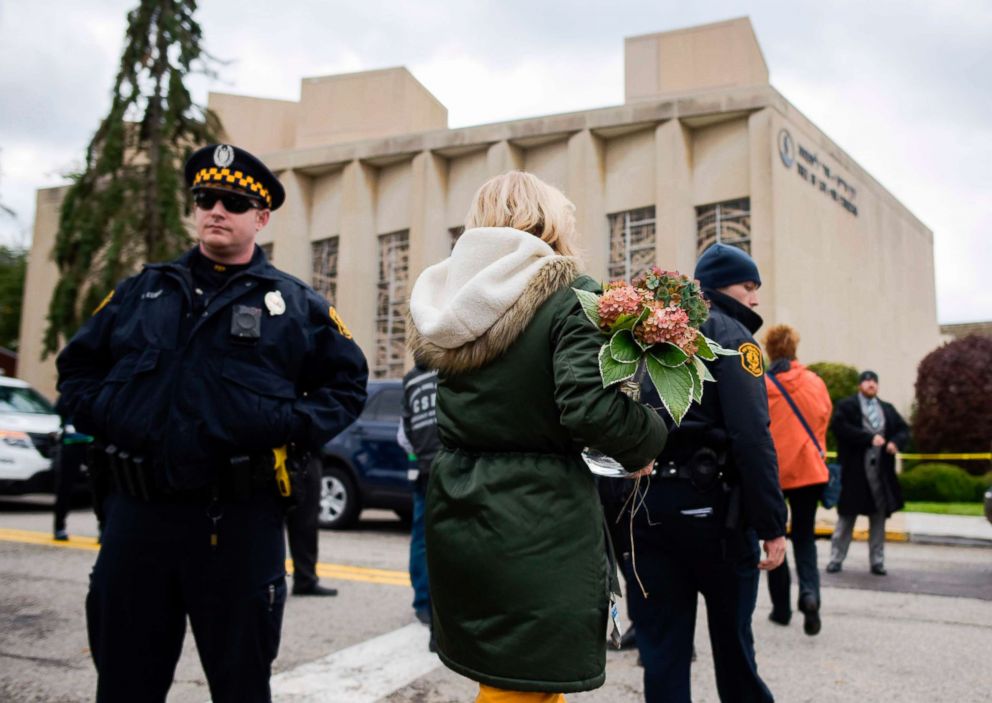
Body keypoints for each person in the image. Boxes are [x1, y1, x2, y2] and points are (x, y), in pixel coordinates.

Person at [55, 143, 368, 702]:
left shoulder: (293, 304)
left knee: (241, 685)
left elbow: (346, 386)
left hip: (239, 524)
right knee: (125, 683)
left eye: (232, 201)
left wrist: (281, 424)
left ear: (261, 217)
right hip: (137, 519)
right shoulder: (142, 291)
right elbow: (77, 368)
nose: (215, 210)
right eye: (205, 199)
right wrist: (113, 416)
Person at [408, 171, 667, 702]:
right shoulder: (568, 292)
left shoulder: (450, 295)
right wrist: (649, 436)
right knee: (523, 687)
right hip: (536, 519)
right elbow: (588, 408)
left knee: (516, 680)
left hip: (460, 508)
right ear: (547, 220)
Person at [630, 242, 787, 703]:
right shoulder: (732, 337)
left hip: (650, 509)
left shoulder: (649, 335)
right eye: (748, 286)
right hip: (715, 513)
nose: (755, 298)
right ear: (721, 287)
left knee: (662, 653)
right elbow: (752, 437)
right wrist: (771, 524)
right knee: (735, 649)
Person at [761, 324, 832, 636]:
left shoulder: (762, 385)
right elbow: (823, 418)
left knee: (775, 538)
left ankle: (781, 609)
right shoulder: (814, 382)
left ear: (770, 350)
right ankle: (810, 594)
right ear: (795, 348)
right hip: (808, 470)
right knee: (805, 538)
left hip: (774, 473)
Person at [827, 370, 909, 576]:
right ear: (860, 385)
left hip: (880, 473)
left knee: (879, 518)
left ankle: (877, 561)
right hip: (855, 472)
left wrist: (894, 443)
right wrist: (867, 438)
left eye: (874, 381)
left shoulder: (887, 409)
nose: (871, 384)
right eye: (867, 381)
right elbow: (840, 428)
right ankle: (836, 558)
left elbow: (903, 430)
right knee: (846, 517)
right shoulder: (848, 407)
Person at [397, 360, 441, 646]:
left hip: (422, 468)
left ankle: (422, 603)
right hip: (449, 464)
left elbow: (403, 435)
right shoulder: (451, 369)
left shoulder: (411, 380)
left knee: (421, 539)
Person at [286, 453, 338, 596]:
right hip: (297, 454)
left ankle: (305, 579)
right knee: (304, 521)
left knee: (305, 522)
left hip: (304, 455)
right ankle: (303, 579)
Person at [52, 416, 93, 541]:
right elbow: (61, 407)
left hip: (94, 441)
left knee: (100, 486)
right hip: (71, 441)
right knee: (65, 486)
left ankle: (103, 528)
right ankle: (59, 527)